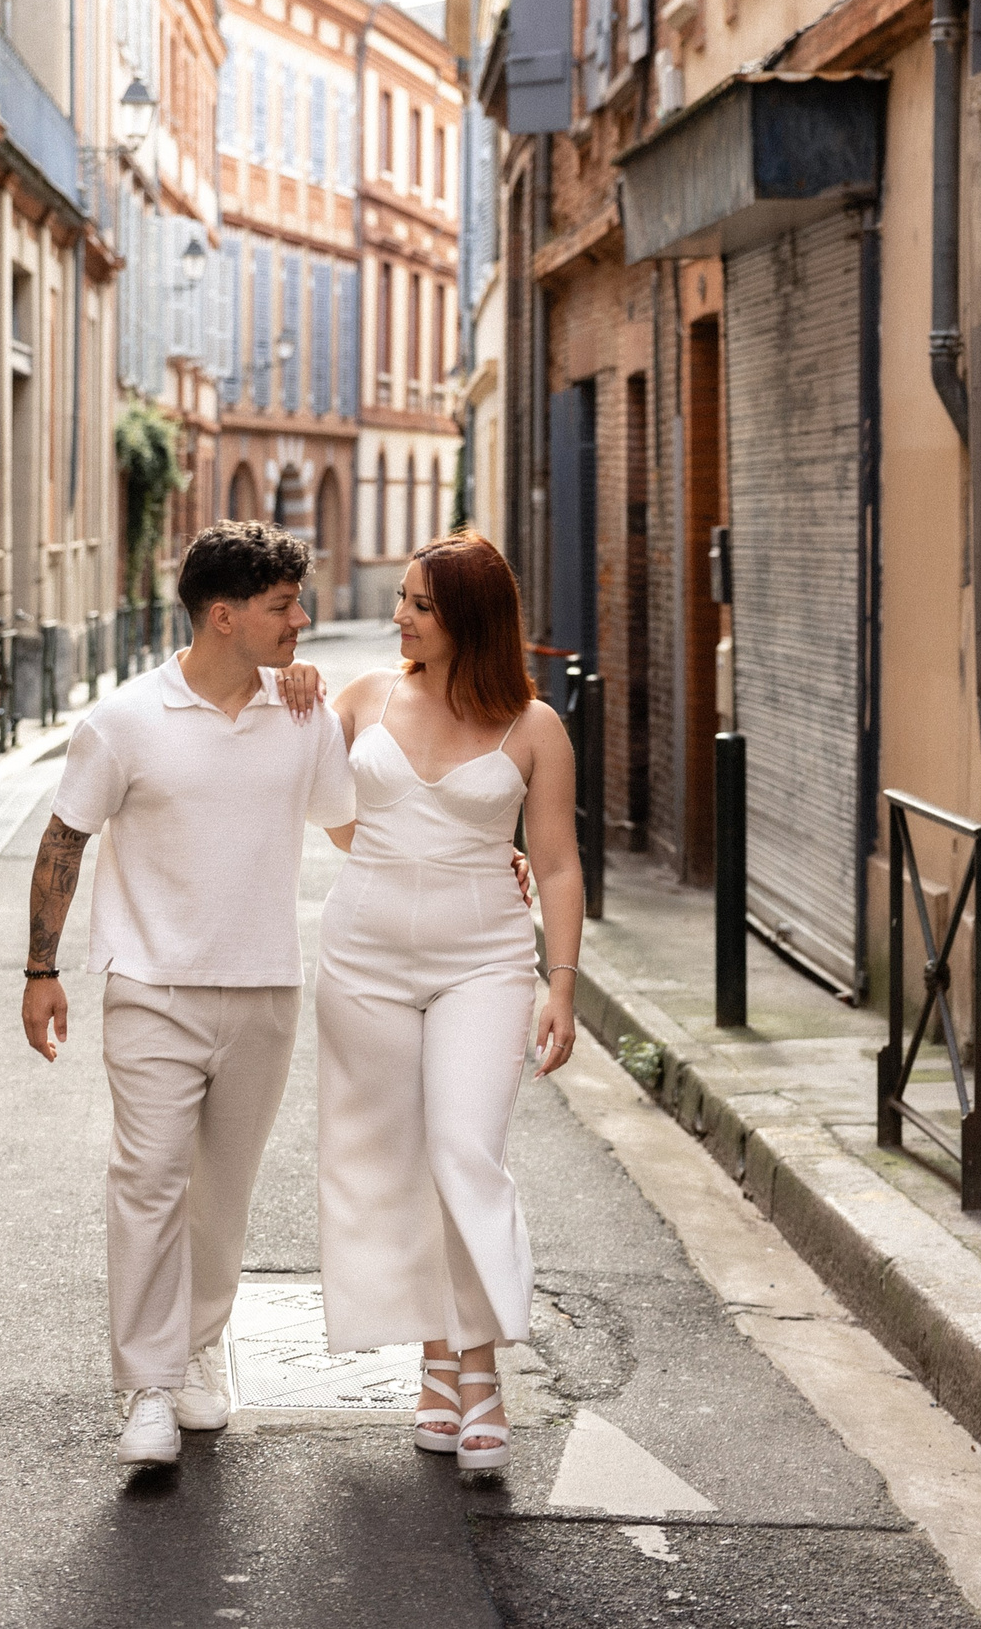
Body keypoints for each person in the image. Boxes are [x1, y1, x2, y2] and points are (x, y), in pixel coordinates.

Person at [20, 522, 353, 1468]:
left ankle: (203, 1346)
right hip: (151, 988)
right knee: (149, 1182)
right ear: (223, 616)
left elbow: (353, 829)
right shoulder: (125, 721)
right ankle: (149, 1389)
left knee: (224, 1194)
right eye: (283, 606)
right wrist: (41, 971)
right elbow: (63, 842)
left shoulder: (305, 715)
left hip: (265, 989)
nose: (302, 620)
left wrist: (481, 860)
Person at [313, 531, 584, 1475]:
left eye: (417, 604)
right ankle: (436, 1359)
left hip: (487, 962)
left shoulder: (535, 727)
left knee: (464, 1150)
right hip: (363, 961)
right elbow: (320, 803)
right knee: (394, 1161)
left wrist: (561, 983)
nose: (398, 617)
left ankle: (480, 1369)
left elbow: (554, 862)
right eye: (400, 599)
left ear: (467, 616)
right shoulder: (359, 698)